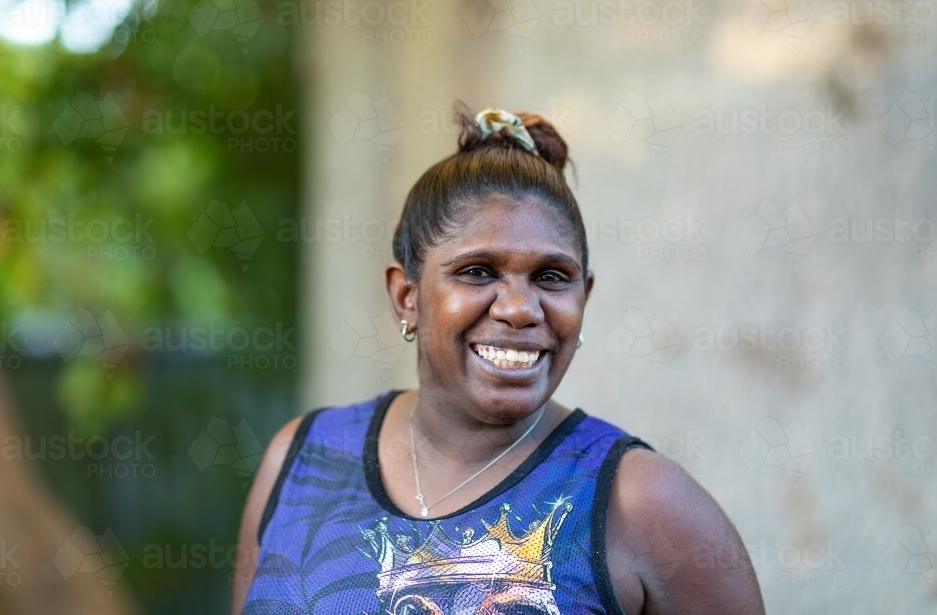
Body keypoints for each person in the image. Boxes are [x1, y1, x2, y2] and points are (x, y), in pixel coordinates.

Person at [233, 106, 765, 615]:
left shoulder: (644, 504)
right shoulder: (303, 461)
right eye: (478, 271)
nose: (519, 309)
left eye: (552, 277)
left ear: (585, 296)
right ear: (406, 296)